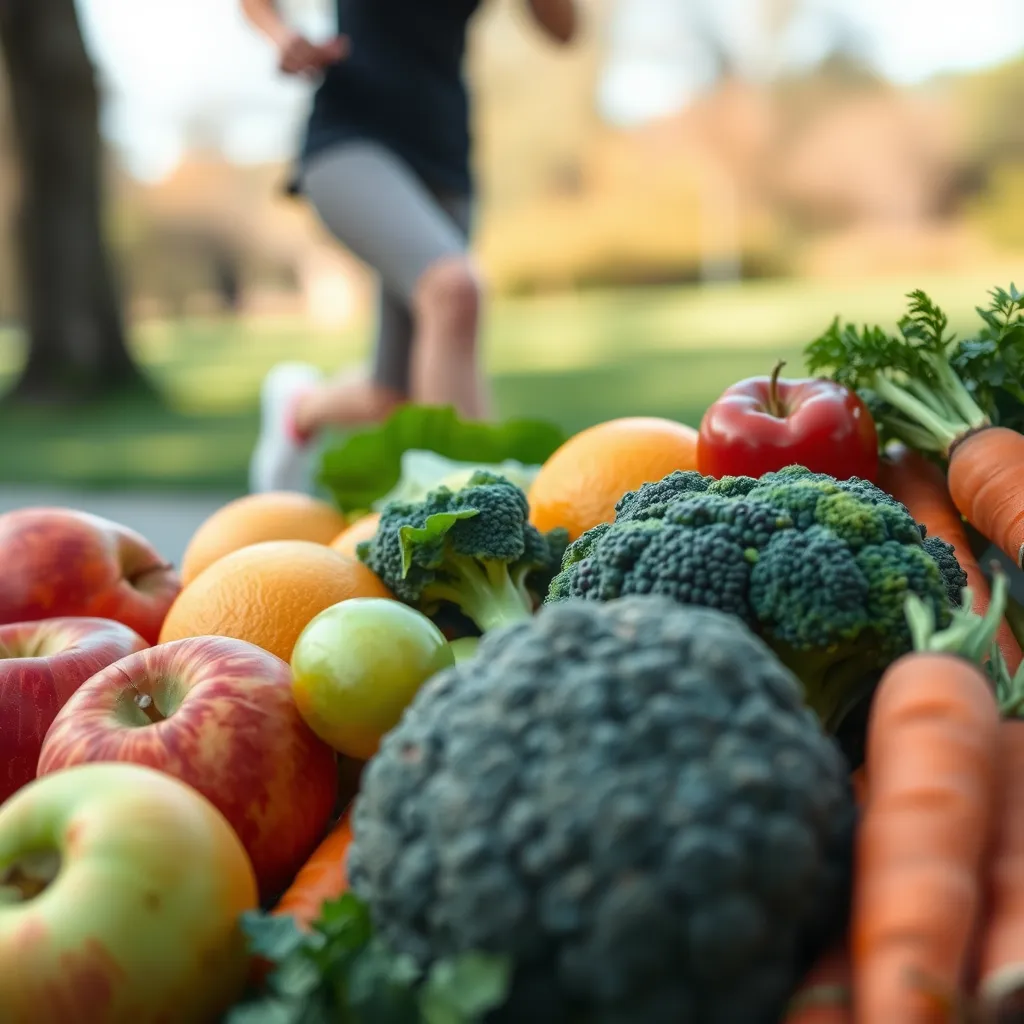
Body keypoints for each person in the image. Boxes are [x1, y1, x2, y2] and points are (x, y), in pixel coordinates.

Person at [242, 0, 578, 494]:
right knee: (453, 288)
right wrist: (281, 35)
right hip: (351, 137)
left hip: (443, 152)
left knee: (393, 397)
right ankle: (475, 511)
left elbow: (564, 29)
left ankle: (301, 405)